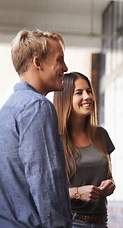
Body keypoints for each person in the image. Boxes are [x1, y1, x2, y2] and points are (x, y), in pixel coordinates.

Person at [0, 29, 71, 227]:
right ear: (38, 62)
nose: (65, 67)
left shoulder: (7, 109)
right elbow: (46, 184)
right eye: (60, 59)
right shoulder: (37, 106)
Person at [53, 72, 116, 227]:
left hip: (101, 222)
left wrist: (110, 184)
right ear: (65, 98)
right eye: (79, 93)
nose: (87, 96)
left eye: (89, 91)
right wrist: (77, 192)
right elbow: (45, 192)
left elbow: (108, 176)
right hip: (70, 222)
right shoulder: (54, 139)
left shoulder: (101, 135)